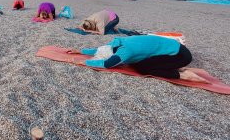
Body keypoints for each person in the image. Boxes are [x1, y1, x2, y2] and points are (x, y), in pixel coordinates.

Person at [67, 35, 208, 83]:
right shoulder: (117, 42)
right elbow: (100, 49)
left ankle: (181, 74)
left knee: (142, 68)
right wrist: (80, 51)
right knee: (140, 63)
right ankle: (173, 67)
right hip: (173, 49)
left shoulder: (125, 52)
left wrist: (84, 62)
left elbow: (107, 64)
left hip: (180, 55)